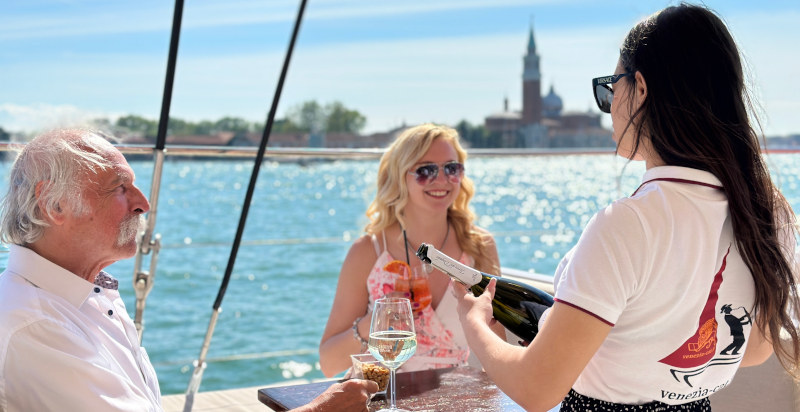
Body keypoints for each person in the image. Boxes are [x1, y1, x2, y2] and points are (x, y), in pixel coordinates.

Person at [453, 4, 800, 412]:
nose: (608, 103)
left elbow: (537, 388)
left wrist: (475, 323)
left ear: (639, 87)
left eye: (609, 86)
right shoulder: (769, 211)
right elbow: (754, 350)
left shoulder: (625, 224)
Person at [0, 128, 377, 411]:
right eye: (120, 187)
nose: (143, 204)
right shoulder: (34, 325)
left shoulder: (84, 296)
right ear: (54, 205)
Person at [319, 123, 505, 377]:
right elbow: (328, 364)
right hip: (382, 398)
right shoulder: (369, 251)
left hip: (455, 400)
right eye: (425, 170)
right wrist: (377, 321)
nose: (441, 180)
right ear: (399, 176)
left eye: (452, 168)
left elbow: (500, 352)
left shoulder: (480, 247)